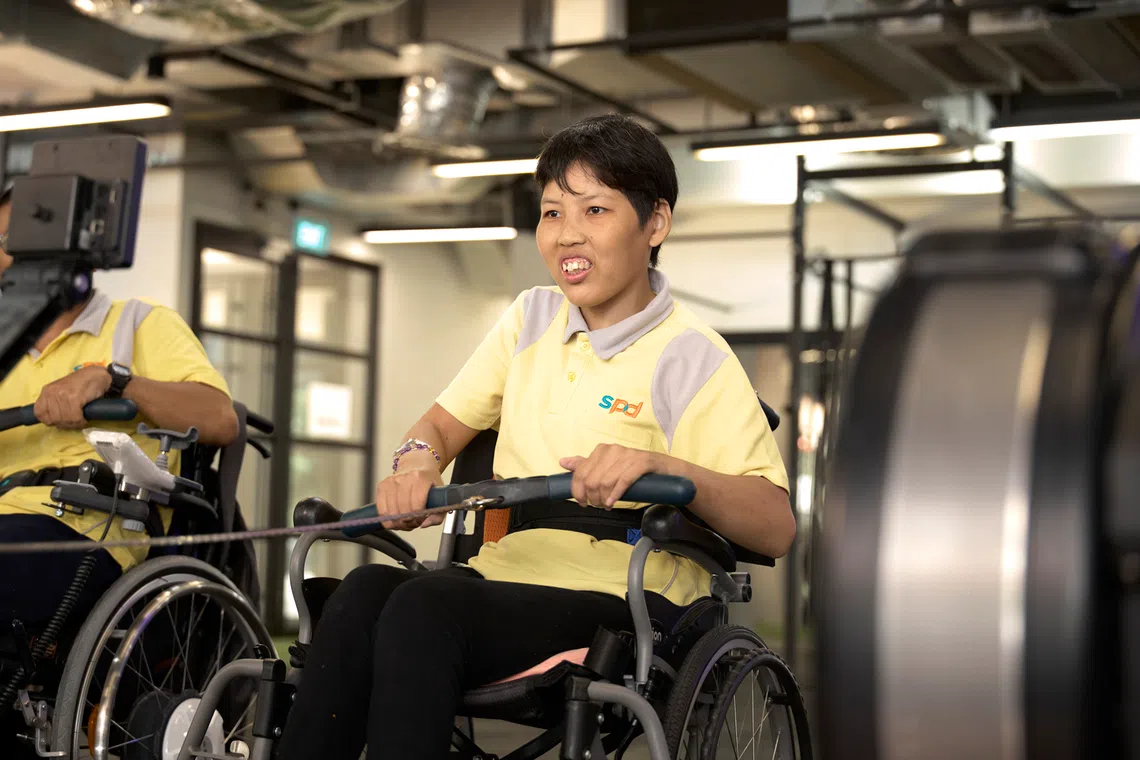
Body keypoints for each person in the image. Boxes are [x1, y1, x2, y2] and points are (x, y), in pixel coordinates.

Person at [278, 114, 795, 760]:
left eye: (595, 210)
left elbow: (774, 525)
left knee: (424, 608)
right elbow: (439, 426)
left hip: (625, 600)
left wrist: (661, 465)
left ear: (655, 222)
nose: (567, 234)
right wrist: (415, 463)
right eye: (552, 213)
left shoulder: (693, 356)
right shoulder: (531, 318)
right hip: (502, 579)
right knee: (359, 596)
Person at [0, 184, 239, 630]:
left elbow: (219, 418)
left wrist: (117, 381)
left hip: (90, 531)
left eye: (18, 239)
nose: (8, 254)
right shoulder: (4, 344)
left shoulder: (139, 322)